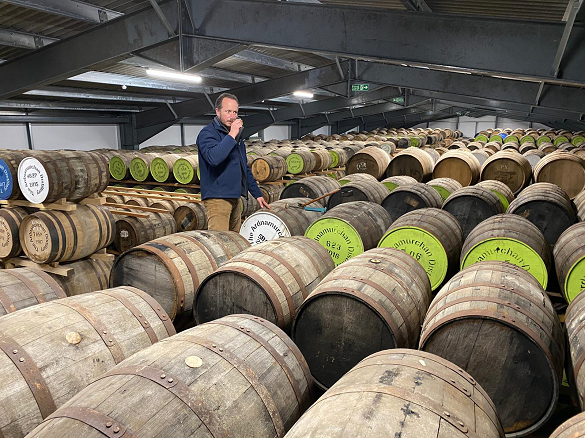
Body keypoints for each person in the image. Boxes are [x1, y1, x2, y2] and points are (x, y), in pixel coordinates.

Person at [197, 92, 270, 231]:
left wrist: (257, 194)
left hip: (235, 197)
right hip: (217, 198)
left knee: (235, 241)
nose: (232, 116)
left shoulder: (236, 137)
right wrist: (232, 134)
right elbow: (214, 158)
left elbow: (244, 167)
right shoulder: (207, 133)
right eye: (228, 111)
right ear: (217, 111)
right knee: (220, 242)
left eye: (235, 112)